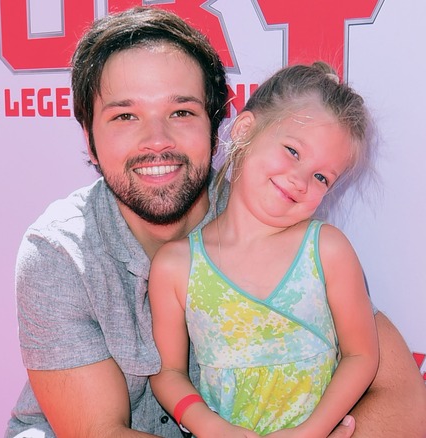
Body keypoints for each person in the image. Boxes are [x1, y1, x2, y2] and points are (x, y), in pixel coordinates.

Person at [5, 6, 426, 438]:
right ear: (89, 138)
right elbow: (99, 433)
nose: (157, 140)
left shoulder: (271, 212)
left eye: (182, 112)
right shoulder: (59, 252)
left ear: (219, 127)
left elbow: (409, 407)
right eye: (125, 116)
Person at [148, 61, 379, 438]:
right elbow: (168, 373)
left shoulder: (326, 251)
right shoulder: (176, 266)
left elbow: (362, 355)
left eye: (322, 176)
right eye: (292, 151)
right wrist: (211, 428)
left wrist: (311, 432)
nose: (300, 180)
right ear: (245, 129)